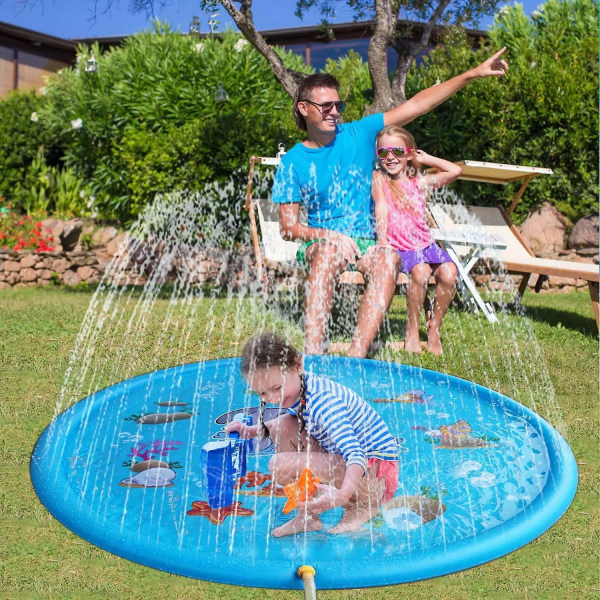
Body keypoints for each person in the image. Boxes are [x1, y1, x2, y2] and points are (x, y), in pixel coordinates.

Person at [271, 48, 508, 357]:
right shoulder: (292, 162)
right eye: (325, 105)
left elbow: (417, 105)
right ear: (303, 108)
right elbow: (288, 228)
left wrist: (469, 75)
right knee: (327, 255)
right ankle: (314, 354)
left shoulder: (360, 132)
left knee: (388, 260)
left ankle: (356, 356)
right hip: (324, 240)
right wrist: (331, 236)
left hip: (369, 242)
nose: (334, 111)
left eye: (337, 104)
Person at [226, 332, 399, 536]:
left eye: (276, 388)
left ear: (298, 365)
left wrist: (342, 495)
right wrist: (251, 431)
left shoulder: (324, 403)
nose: (273, 398)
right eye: (262, 393)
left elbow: (356, 454)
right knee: (283, 426)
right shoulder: (301, 387)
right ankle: (308, 517)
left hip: (374, 475)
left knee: (277, 464)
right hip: (354, 465)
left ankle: (362, 505)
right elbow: (290, 420)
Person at [372, 126, 461, 355]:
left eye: (397, 151)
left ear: (409, 154)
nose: (390, 157)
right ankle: (412, 329)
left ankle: (434, 328)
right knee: (420, 272)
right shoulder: (380, 179)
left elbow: (454, 171)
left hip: (426, 244)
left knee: (450, 273)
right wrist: (382, 240)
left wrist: (427, 158)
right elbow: (381, 207)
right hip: (401, 247)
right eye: (383, 153)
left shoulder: (418, 183)